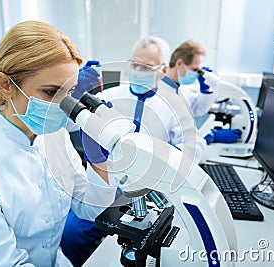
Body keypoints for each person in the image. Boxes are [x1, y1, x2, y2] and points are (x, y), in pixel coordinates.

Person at [0, 21, 117, 267]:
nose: (63, 105)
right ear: (6, 85)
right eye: (50, 92)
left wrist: (98, 160)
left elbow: (91, 208)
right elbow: (4, 263)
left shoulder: (55, 136)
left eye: (70, 92)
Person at [61, 36, 204, 266]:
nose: (138, 70)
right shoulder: (112, 95)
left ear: (164, 70)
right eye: (134, 63)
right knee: (72, 235)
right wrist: (76, 93)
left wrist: (170, 155)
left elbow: (194, 147)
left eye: (146, 66)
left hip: (151, 191)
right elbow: (69, 125)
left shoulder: (173, 105)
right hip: (108, 184)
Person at [160, 39, 242, 144]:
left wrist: (205, 89)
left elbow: (198, 109)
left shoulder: (180, 89)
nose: (197, 74)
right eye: (194, 70)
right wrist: (210, 137)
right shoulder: (160, 94)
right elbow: (175, 140)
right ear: (179, 63)